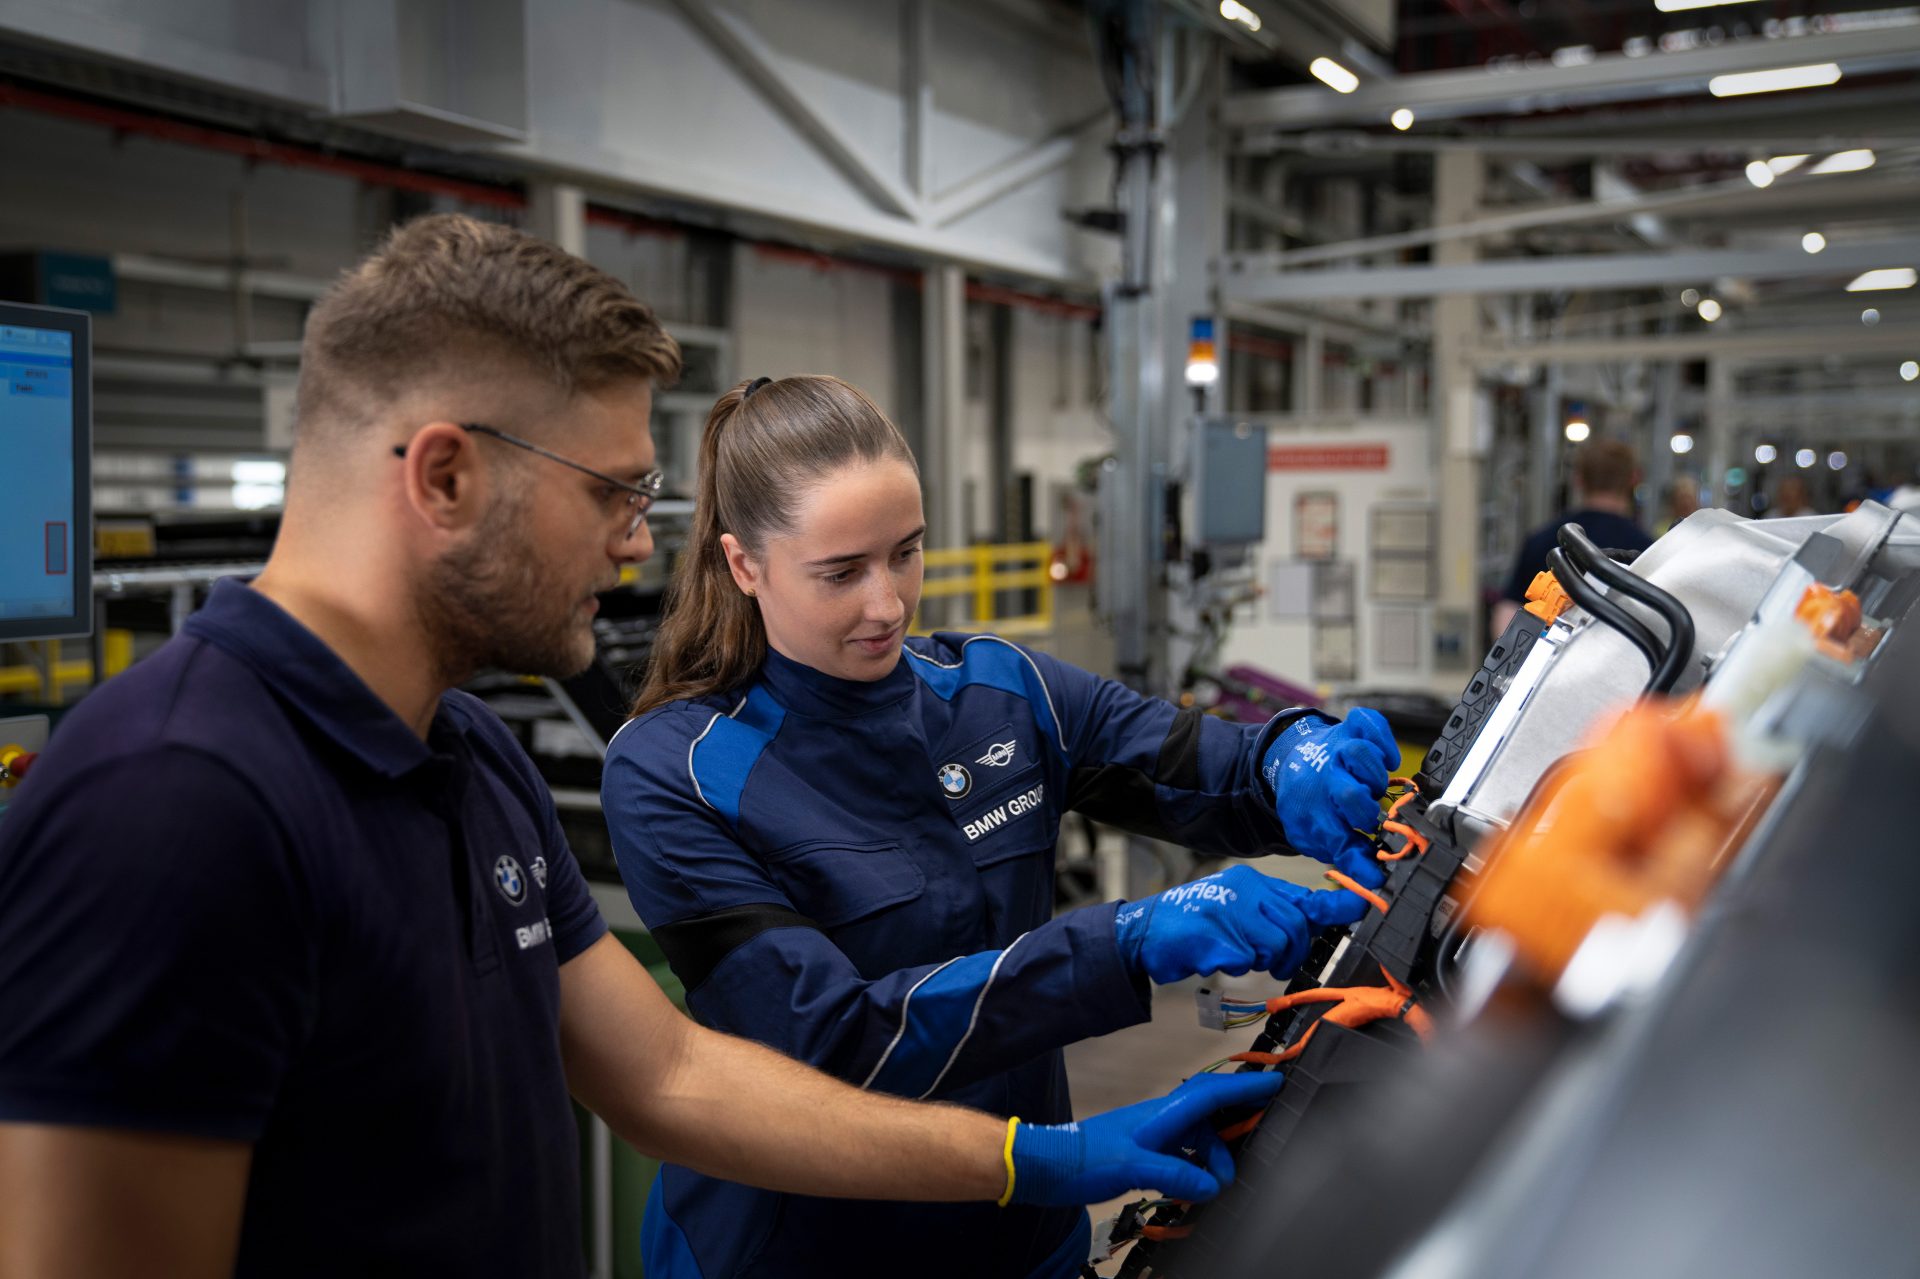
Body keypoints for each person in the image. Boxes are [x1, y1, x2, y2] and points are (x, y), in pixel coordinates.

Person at [0, 216, 1287, 1277]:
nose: (634, 542)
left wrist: (1037, 1162)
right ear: (444, 477)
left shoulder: (468, 761)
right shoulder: (171, 803)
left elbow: (672, 1075)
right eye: (613, 491)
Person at [602, 374, 1403, 1279]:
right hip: (803, 1253)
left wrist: (1291, 760)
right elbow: (832, 1043)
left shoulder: (1002, 691)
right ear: (745, 564)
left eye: (904, 553)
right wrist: (1125, 942)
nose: (889, 604)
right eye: (841, 572)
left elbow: (1204, 764)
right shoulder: (678, 770)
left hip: (1023, 1242)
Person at [1493, 439, 1654, 635]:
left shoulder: (1542, 540)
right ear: (1634, 478)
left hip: (1546, 661)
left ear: (1579, 479)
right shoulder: (1648, 550)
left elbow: (1508, 611)